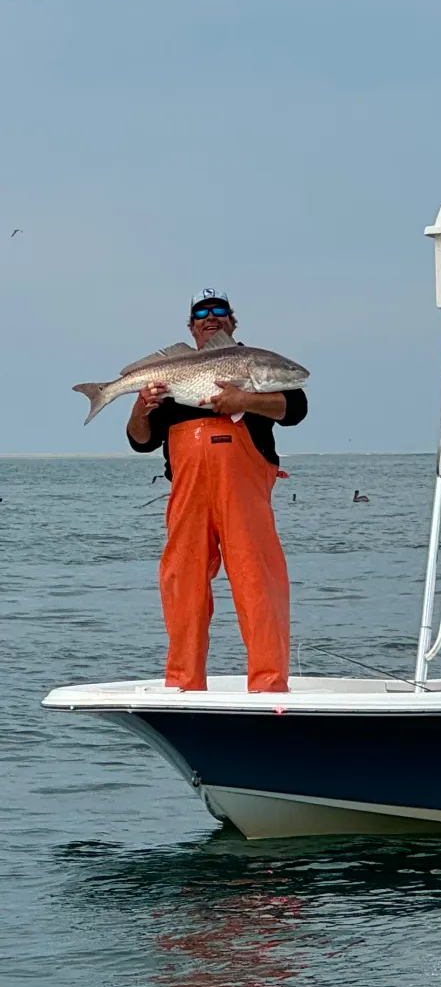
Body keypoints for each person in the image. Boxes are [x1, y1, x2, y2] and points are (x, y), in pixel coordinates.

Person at [126, 289, 307, 693]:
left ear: (232, 322)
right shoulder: (171, 376)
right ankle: (182, 683)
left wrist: (243, 399)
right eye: (201, 314)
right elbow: (141, 441)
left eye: (220, 311)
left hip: (243, 492)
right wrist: (140, 407)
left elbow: (296, 408)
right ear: (191, 328)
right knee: (182, 584)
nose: (211, 317)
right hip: (187, 495)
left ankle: (269, 684)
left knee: (257, 581)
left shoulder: (254, 363)